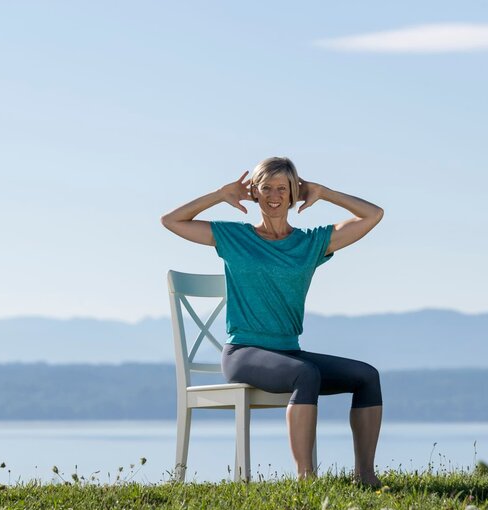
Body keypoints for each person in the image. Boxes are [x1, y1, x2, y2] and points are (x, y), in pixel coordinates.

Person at [161, 156, 384, 486]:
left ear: (294, 192)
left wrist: (324, 192)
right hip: (242, 353)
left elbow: (373, 215)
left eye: (282, 188)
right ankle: (306, 480)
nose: (274, 196)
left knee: (367, 376)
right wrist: (220, 195)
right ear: (254, 192)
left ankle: (365, 477)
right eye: (266, 188)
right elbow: (171, 220)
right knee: (306, 374)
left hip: (289, 354)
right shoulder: (234, 237)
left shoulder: (310, 243)